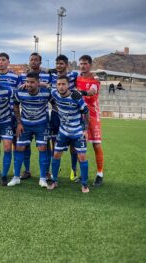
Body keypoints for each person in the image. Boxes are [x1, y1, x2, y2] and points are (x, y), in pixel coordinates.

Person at [8, 72, 51, 188]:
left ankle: (42, 178)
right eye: (27, 82)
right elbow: (15, 106)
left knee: (42, 148)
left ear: (38, 83)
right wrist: (19, 123)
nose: (29, 84)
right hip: (25, 124)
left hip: (41, 125)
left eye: (32, 82)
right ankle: (16, 177)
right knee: (19, 148)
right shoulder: (20, 92)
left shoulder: (46, 93)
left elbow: (56, 100)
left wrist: (46, 85)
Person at [49, 75, 90, 193]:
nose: (61, 87)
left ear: (68, 85)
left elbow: (86, 113)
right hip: (63, 132)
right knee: (56, 155)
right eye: (59, 84)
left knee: (82, 157)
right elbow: (45, 87)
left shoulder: (76, 97)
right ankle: (54, 181)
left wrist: (86, 130)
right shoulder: (54, 93)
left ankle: (85, 184)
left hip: (77, 132)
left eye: (63, 84)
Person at [17, 52, 51, 180]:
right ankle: (26, 170)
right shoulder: (23, 76)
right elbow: (20, 90)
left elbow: (51, 89)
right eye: (31, 60)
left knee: (45, 145)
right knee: (25, 144)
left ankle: (46, 171)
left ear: (40, 62)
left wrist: (42, 84)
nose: (33, 62)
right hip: (26, 115)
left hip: (42, 115)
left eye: (36, 60)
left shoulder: (47, 75)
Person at [76, 55, 104, 186]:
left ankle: (100, 174)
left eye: (85, 63)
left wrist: (81, 93)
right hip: (80, 116)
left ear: (90, 65)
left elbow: (92, 91)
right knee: (81, 146)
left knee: (96, 145)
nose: (82, 65)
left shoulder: (95, 79)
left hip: (93, 116)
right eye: (81, 63)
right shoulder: (77, 78)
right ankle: (83, 173)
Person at [49, 54, 79, 181]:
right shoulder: (52, 76)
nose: (58, 66)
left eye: (61, 63)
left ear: (66, 65)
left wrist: (94, 78)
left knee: (73, 145)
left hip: (71, 116)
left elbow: (82, 78)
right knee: (54, 142)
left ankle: (73, 169)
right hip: (56, 113)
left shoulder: (73, 75)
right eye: (57, 63)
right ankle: (56, 168)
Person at [0, 52, 20, 177]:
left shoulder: (15, 77)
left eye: (3, 60)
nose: (1, 62)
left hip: (12, 113)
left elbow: (19, 93)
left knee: (13, 141)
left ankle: (14, 167)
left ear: (8, 61)